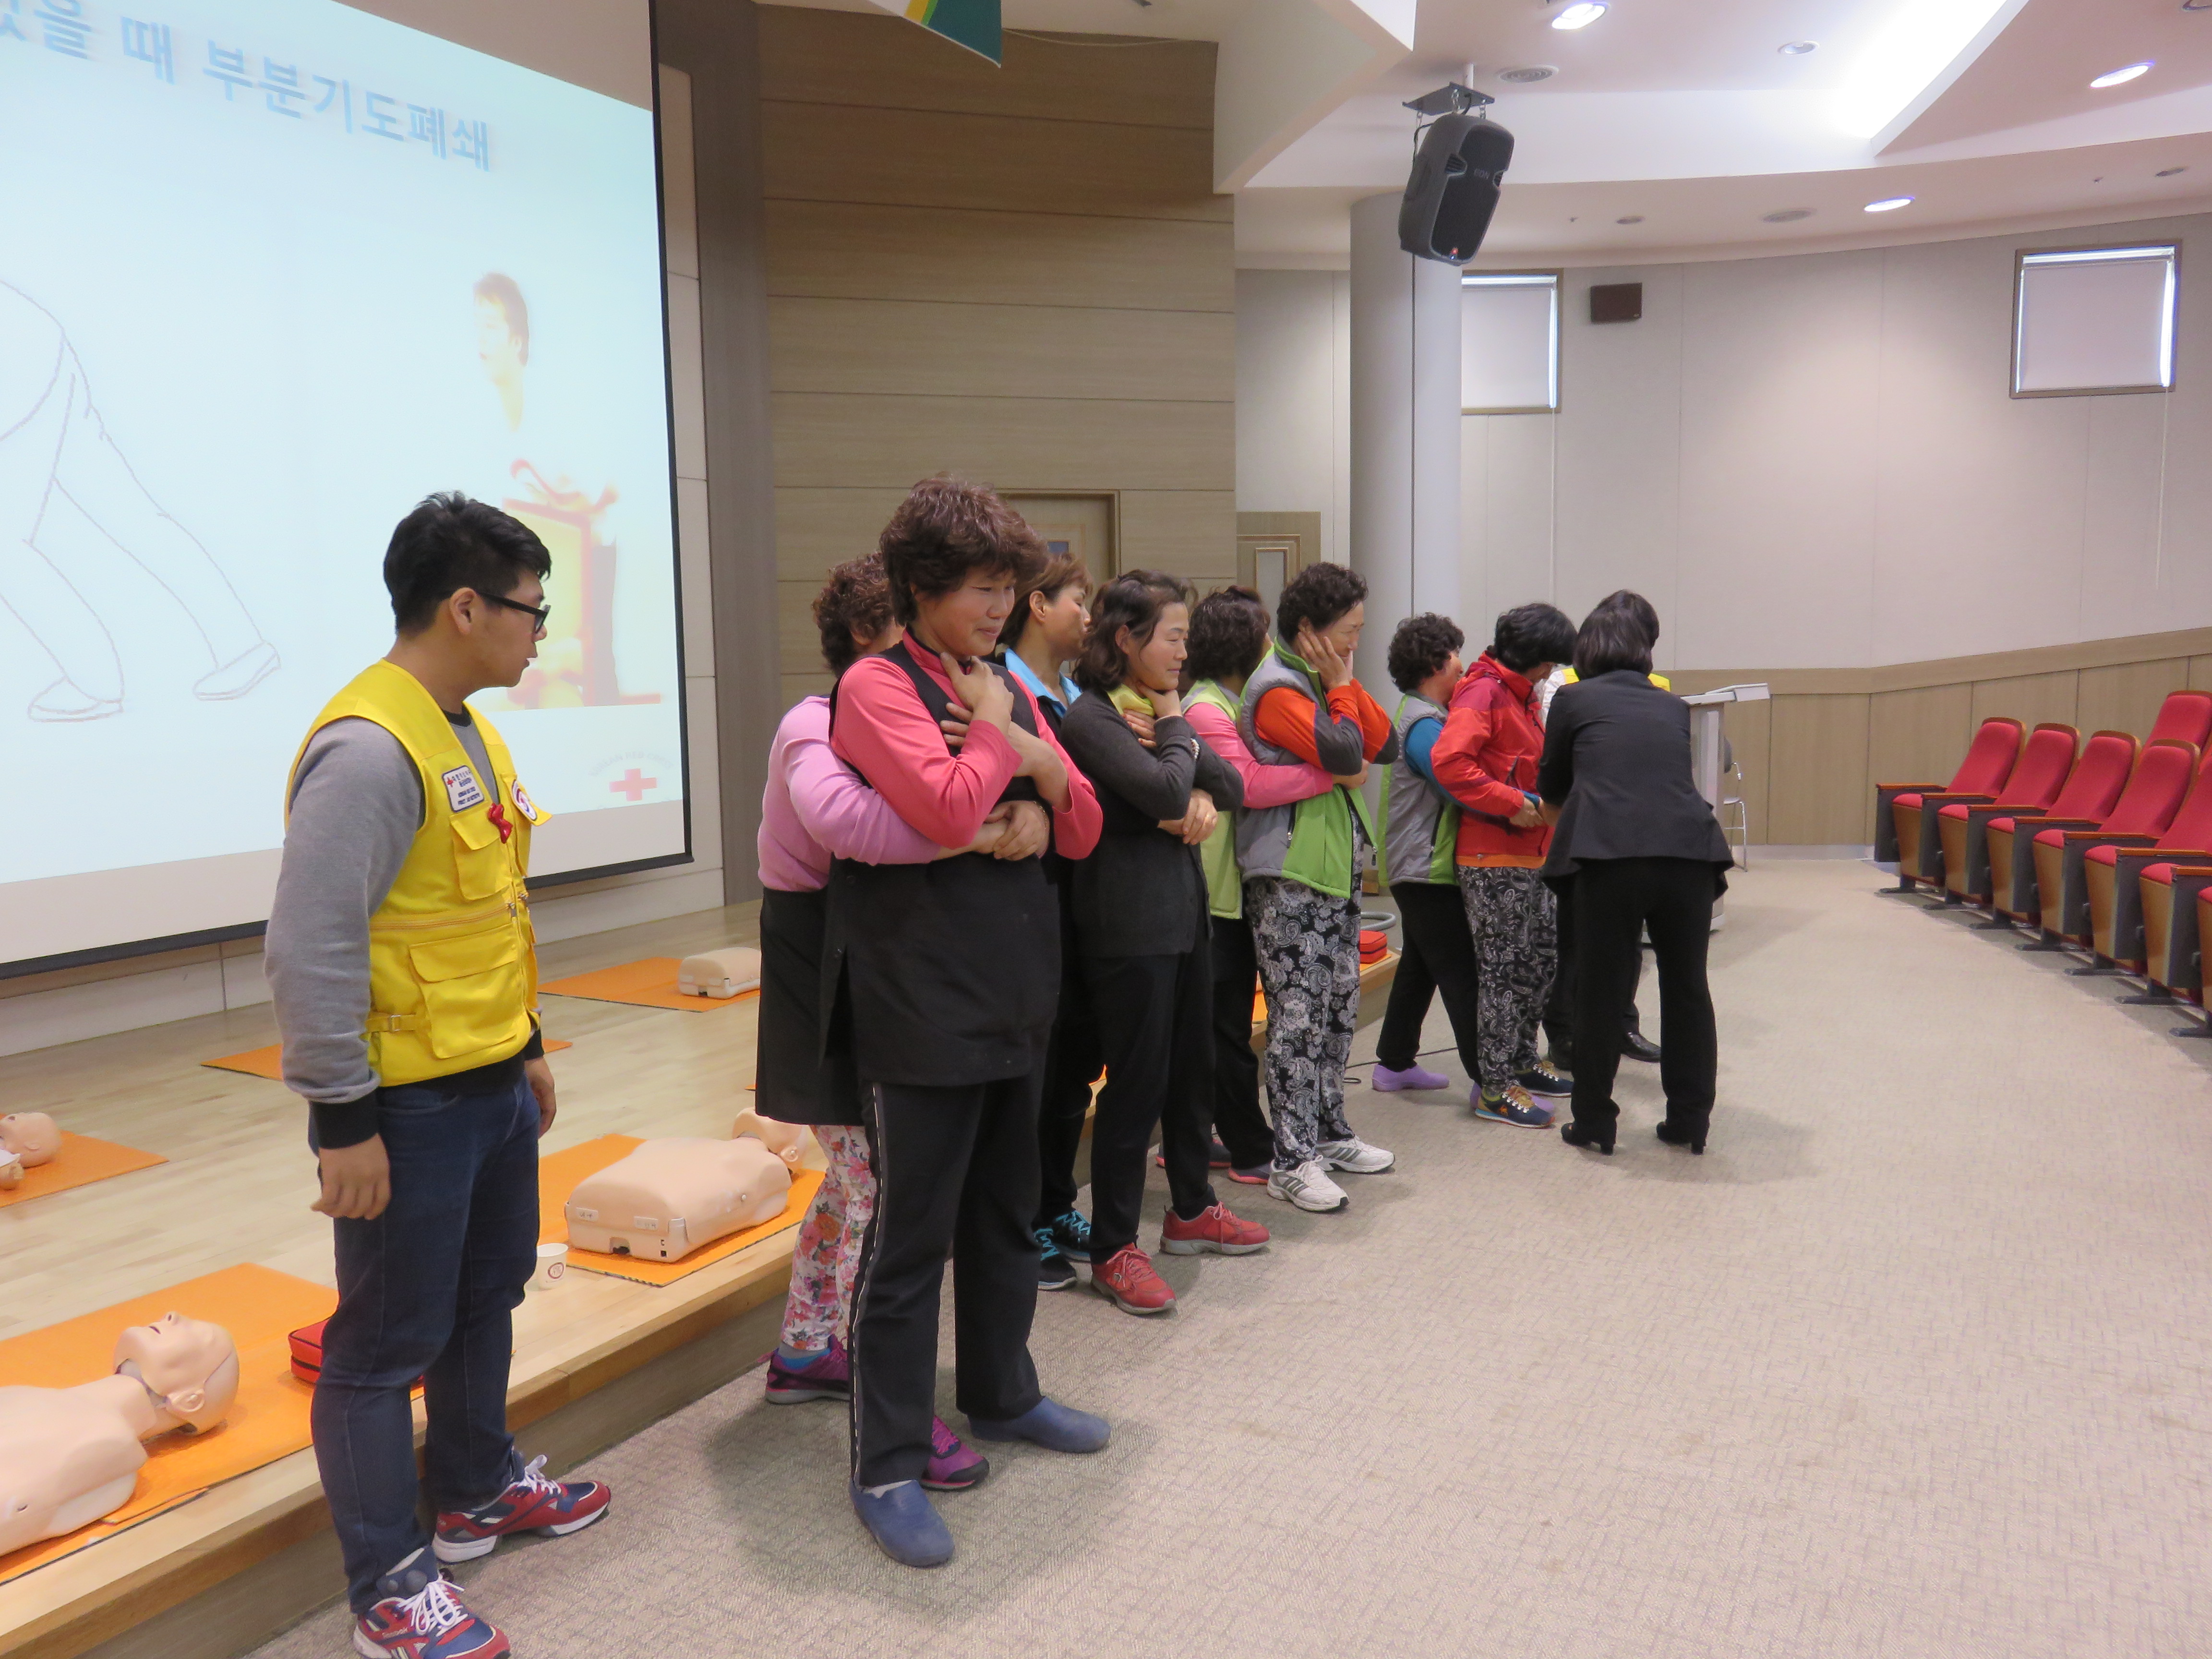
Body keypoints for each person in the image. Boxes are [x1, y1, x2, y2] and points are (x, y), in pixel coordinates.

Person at [265, 493, 609, 1659]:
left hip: (489, 1083)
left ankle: (473, 1488)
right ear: (465, 606)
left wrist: (527, 1044)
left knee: (484, 1295)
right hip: (403, 1108)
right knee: (379, 1348)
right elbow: (309, 947)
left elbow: (486, 910)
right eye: (531, 609)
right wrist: (341, 1120)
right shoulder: (369, 750)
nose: (542, 632)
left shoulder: (469, 731)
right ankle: (388, 1583)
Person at [825, 476, 1107, 1569]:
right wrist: (1004, 742)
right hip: (920, 1001)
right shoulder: (876, 686)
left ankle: (1003, 1392)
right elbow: (944, 806)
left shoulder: (1000, 685)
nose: (998, 608)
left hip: (1014, 992)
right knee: (911, 1241)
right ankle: (886, 1462)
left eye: (1007, 588)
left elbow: (1081, 826)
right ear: (920, 587)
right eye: (980, 589)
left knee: (1003, 1217)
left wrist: (1034, 770)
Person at [755, 555, 1000, 1492]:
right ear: (870, 639)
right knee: (874, 1183)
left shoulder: (909, 715)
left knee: (855, 1176)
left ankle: (805, 1343)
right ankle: (879, 1392)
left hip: (871, 963)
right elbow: (851, 825)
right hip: (818, 965)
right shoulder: (812, 723)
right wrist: (977, 828)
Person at [1054, 571, 1268, 1315]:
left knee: (1192, 1073)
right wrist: (1178, 731)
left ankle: (1191, 1209)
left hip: (1181, 917)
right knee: (1137, 1087)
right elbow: (1165, 792)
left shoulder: (1146, 712)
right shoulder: (1091, 719)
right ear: (1126, 639)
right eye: (1173, 638)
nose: (1183, 653)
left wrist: (1191, 777)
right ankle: (1114, 1247)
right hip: (1126, 928)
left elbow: (1230, 787)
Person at [1235, 563, 1399, 1214]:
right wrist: (1338, 691)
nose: (1356, 641)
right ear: (1310, 628)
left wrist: (1345, 684)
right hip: (1290, 878)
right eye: (1349, 630)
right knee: (1297, 1023)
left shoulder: (1320, 682)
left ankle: (1329, 1134)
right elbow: (1344, 756)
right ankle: (1292, 1159)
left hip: (1334, 872)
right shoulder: (1277, 690)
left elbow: (1381, 746)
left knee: (1335, 1014)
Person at [1539, 605, 1732, 1156]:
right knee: (1688, 988)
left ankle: (1595, 1122)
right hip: (1689, 853)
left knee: (1600, 990)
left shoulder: (1572, 699)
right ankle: (1690, 1121)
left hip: (1610, 856)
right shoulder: (1672, 705)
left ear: (1585, 651)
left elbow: (1553, 790)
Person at [1179, 588, 1338, 1186]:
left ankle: (1217, 1134)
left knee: (1226, 1026)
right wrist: (1330, 773)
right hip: (1211, 890)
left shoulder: (1227, 701)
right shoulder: (1205, 709)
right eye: (1264, 635)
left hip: (1228, 888)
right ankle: (1247, 1146)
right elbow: (1249, 785)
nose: (1272, 647)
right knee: (1223, 1030)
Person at [994, 552, 1103, 1289]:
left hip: (1087, 902)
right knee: (1029, 1075)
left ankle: (1057, 1202)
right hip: (1027, 903)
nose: (1087, 616)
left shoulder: (1079, 694)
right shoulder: (997, 689)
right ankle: (1021, 1218)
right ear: (1036, 606)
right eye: (1077, 600)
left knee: (1073, 1069)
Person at [1429, 603, 1579, 1128]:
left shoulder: (1521, 694)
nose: (1551, 672)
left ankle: (1521, 1062)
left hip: (1534, 852)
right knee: (1504, 973)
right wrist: (1511, 801)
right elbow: (1451, 763)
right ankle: (1495, 1087)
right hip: (1492, 857)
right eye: (1550, 663)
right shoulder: (1484, 692)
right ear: (1534, 658)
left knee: (1538, 965)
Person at [1548, 590, 1670, 1069]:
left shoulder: (1657, 690)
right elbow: (1556, 773)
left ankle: (1623, 1024)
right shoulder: (1565, 687)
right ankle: (1565, 1034)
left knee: (1631, 944)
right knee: (1575, 945)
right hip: (1581, 831)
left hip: (1638, 834)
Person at [1372, 614, 1484, 1095]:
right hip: (1423, 868)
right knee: (1463, 975)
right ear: (1436, 663)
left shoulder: (1423, 716)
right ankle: (1491, 1083)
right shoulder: (1423, 725)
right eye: (1456, 655)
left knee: (1420, 968)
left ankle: (1394, 1064)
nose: (1462, 665)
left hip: (1418, 865)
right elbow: (1459, 786)